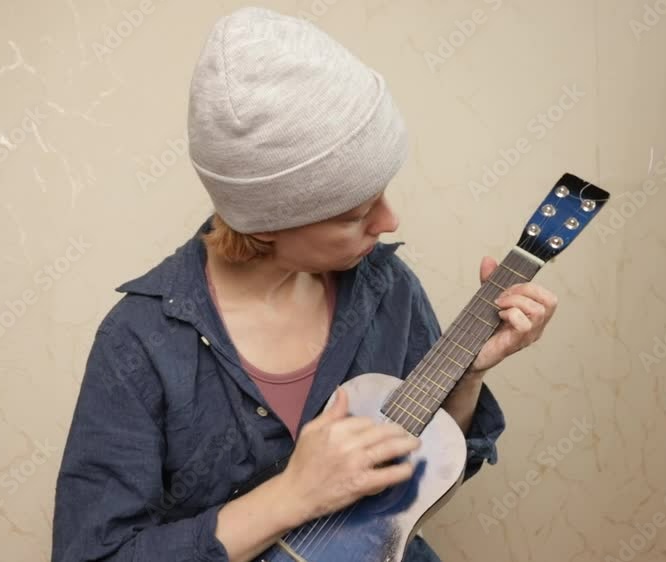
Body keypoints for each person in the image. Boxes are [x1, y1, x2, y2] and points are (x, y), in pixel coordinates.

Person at [51, 6, 558, 562]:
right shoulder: (140, 341)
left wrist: (467, 374)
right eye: (353, 213)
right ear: (266, 222)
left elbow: (416, 477)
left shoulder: (387, 287)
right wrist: (294, 495)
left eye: (383, 193)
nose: (389, 222)